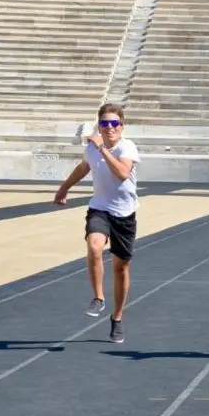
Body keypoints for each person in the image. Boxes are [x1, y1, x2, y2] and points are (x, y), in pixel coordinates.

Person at [54, 103, 141, 344]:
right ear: (99, 126)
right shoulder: (92, 150)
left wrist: (103, 149)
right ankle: (99, 298)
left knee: (121, 268)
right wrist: (63, 188)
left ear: (121, 127)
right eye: (105, 123)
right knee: (94, 246)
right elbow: (83, 168)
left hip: (124, 214)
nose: (110, 128)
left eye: (114, 124)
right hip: (100, 209)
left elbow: (123, 173)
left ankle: (118, 318)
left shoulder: (127, 147)